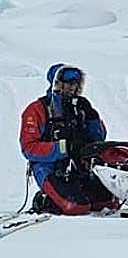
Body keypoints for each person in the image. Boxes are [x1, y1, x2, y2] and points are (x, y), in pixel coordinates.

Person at [20, 64, 117, 215]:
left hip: (79, 168)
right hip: (49, 167)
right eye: (68, 83)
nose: (72, 87)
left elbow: (98, 138)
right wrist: (64, 148)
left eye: (75, 83)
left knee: (108, 202)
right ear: (56, 83)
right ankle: (46, 201)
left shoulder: (80, 108)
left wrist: (93, 118)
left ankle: (64, 195)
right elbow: (29, 148)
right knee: (76, 207)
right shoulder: (37, 110)